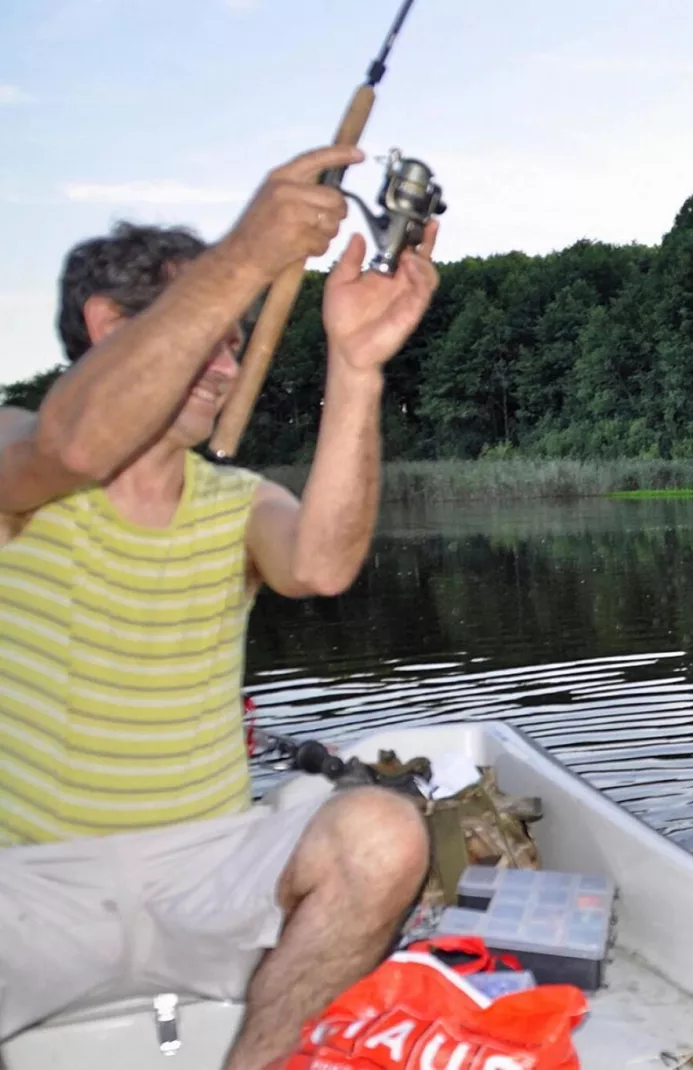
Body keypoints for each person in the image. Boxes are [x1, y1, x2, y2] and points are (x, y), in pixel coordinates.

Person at [0, 143, 440, 1070]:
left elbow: (321, 566)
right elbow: (73, 447)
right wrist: (244, 255)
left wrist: (357, 366)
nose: (228, 363)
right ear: (107, 324)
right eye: (210, 331)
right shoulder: (18, 457)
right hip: (31, 890)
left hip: (210, 867)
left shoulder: (239, 502)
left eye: (238, 342)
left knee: (382, 834)